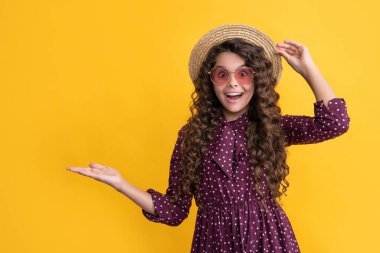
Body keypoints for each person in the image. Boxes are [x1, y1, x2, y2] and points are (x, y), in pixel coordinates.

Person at [67, 24, 350, 252]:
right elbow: (175, 211)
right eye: (222, 74)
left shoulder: (271, 127)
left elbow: (335, 123)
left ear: (257, 80)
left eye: (244, 74)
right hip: (213, 242)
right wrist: (120, 184)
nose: (233, 83)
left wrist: (308, 69)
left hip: (267, 240)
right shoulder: (191, 136)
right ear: (210, 81)